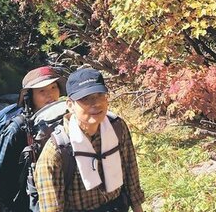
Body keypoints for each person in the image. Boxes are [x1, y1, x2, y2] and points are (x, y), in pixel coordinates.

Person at [34, 68, 144, 212]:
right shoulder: (56, 151)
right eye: (85, 98)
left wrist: (137, 207)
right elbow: (52, 208)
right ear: (70, 105)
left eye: (100, 95)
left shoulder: (117, 127)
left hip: (117, 206)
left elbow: (131, 170)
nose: (96, 103)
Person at [0, 65, 66, 212]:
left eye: (53, 87)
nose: (50, 94)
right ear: (29, 96)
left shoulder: (66, 118)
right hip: (25, 201)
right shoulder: (17, 129)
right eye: (42, 91)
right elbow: (0, 173)